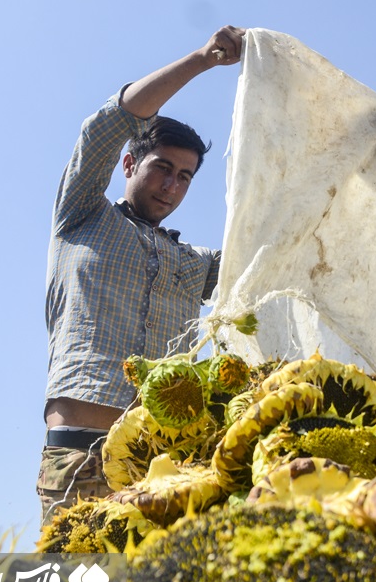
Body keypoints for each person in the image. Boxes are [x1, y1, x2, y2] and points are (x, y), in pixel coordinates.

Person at [39, 26, 247, 522]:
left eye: (185, 177)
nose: (171, 186)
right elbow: (108, 124)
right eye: (162, 168)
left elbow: (264, 262)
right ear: (130, 162)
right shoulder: (83, 216)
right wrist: (202, 59)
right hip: (82, 456)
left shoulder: (195, 264)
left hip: (169, 466)